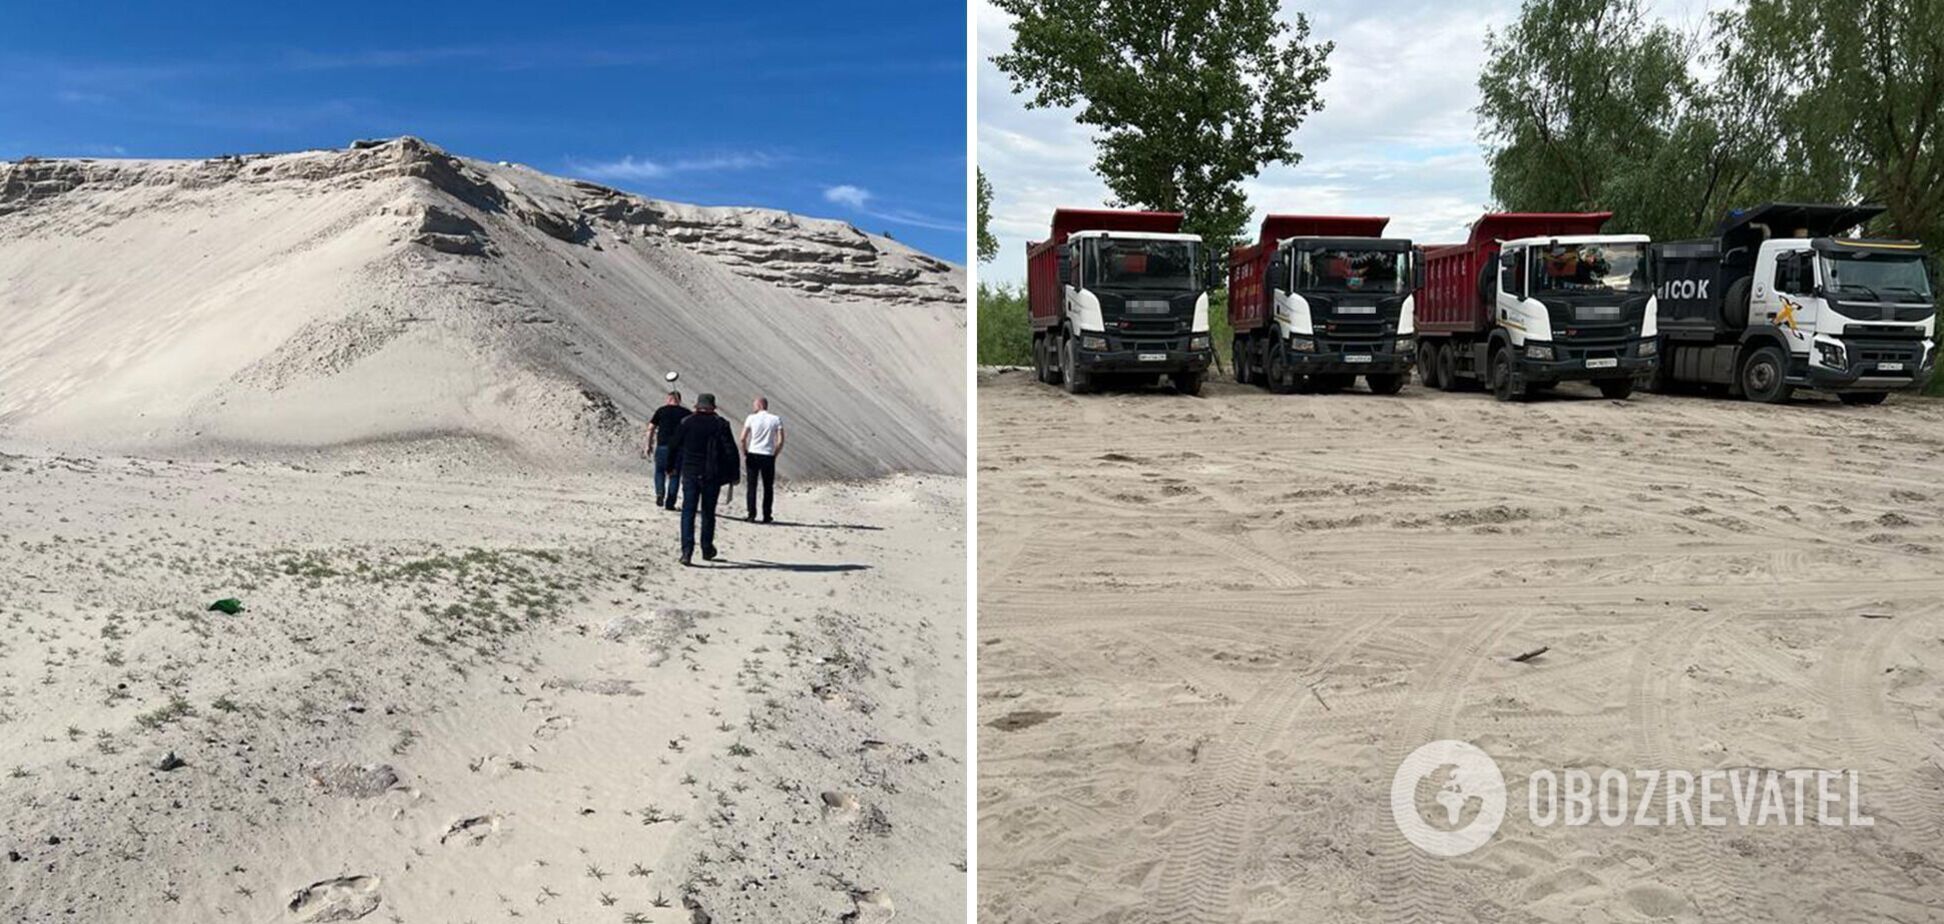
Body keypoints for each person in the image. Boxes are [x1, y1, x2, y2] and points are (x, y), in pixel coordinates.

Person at [664, 392, 739, 566]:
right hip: (712, 475)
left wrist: (670, 467)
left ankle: (686, 552)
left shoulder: (687, 422)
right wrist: (733, 475)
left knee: (688, 512)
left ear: (696, 406)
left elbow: (673, 446)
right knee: (708, 512)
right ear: (713, 407)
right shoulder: (721, 424)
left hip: (690, 473)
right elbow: (730, 451)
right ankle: (706, 548)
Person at [740, 396, 785, 523]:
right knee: (768, 486)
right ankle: (767, 515)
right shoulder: (776, 419)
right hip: (768, 455)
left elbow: (743, 438)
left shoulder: (751, 418)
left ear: (759, 405)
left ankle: (751, 514)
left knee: (752, 486)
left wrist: (745, 451)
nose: (753, 407)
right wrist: (775, 453)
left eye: (754, 405)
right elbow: (780, 440)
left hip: (753, 453)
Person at [646, 391, 690, 509]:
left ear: (669, 399)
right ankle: (670, 503)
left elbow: (650, 428)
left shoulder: (661, 410)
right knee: (674, 475)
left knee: (659, 472)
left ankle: (660, 493)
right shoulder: (686, 413)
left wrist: (648, 445)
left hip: (662, 447)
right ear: (679, 400)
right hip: (679, 449)